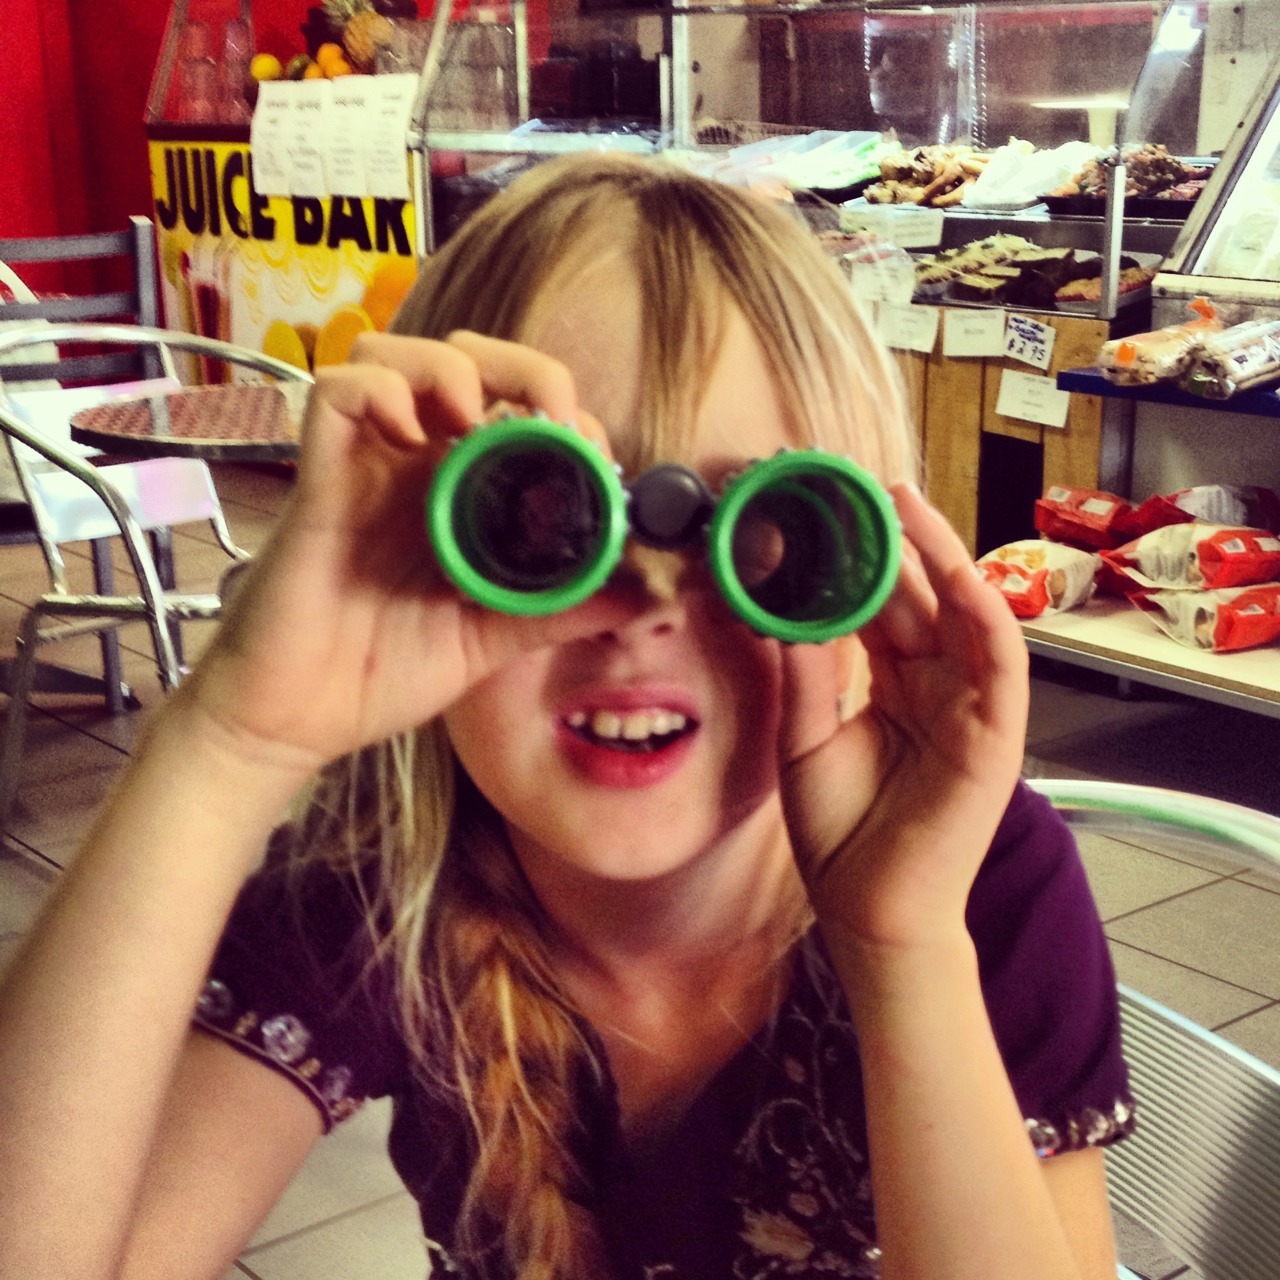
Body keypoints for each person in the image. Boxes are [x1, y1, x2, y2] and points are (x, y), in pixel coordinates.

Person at [0, 152, 1133, 1280]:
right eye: (544, 521)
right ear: (430, 545)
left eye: (760, 532)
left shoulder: (975, 885)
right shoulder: (386, 889)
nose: (642, 607)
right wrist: (227, 741)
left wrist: (903, 950)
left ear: (859, 585)